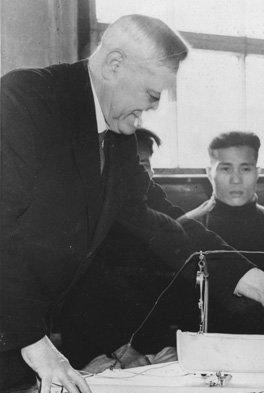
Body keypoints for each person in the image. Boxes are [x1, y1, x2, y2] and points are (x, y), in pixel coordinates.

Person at [0, 14, 264, 393]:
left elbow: (169, 223)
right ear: (114, 64)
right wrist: (36, 345)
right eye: (152, 93)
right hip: (21, 335)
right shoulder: (25, 100)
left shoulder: (115, 138)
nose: (152, 108)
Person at [58, 127, 185, 371]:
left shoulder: (156, 214)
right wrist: (123, 351)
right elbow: (79, 300)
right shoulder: (87, 221)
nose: (138, 172)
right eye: (133, 164)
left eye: (144, 164)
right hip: (95, 350)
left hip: (151, 351)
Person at [178, 131, 264, 334]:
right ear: (209, 172)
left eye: (245, 168)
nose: (236, 179)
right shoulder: (187, 227)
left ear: (257, 172)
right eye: (225, 169)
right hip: (207, 346)